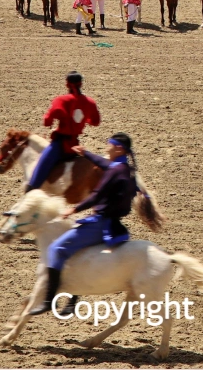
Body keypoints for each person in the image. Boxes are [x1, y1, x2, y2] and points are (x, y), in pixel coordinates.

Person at [28, 132, 140, 316]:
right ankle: (72, 302)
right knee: (76, 251)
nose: (107, 147)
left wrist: (74, 209)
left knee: (56, 249)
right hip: (111, 223)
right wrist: (86, 153)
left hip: (100, 223)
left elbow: (96, 196)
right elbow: (105, 164)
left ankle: (48, 301)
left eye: (110, 144)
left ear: (119, 149)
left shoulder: (114, 171)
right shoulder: (123, 168)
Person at [24, 71, 101, 193]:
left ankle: (31, 190)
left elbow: (47, 121)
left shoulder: (61, 100)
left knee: (40, 167)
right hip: (75, 145)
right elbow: (95, 122)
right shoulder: (90, 102)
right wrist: (83, 119)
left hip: (60, 145)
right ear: (81, 84)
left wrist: (52, 122)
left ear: (67, 84)